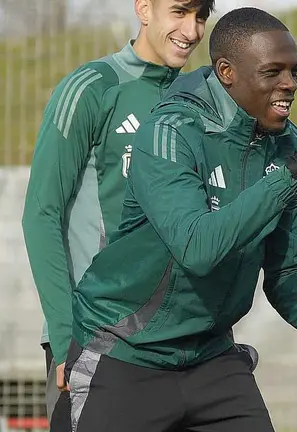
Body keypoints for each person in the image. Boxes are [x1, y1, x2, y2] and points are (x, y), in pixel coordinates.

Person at [59, 7, 297, 432]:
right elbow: (196, 248)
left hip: (212, 358)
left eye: (294, 71)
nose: (290, 84)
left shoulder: (293, 151)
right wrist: (287, 177)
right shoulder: (170, 131)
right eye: (273, 72)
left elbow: (288, 269)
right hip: (124, 354)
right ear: (226, 71)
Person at [21, 0, 214, 429]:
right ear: (143, 8)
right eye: (180, 11)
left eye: (201, 15)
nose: (193, 29)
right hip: (95, 338)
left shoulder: (200, 100)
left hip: (176, 342)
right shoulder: (93, 86)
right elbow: (40, 214)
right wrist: (63, 332)